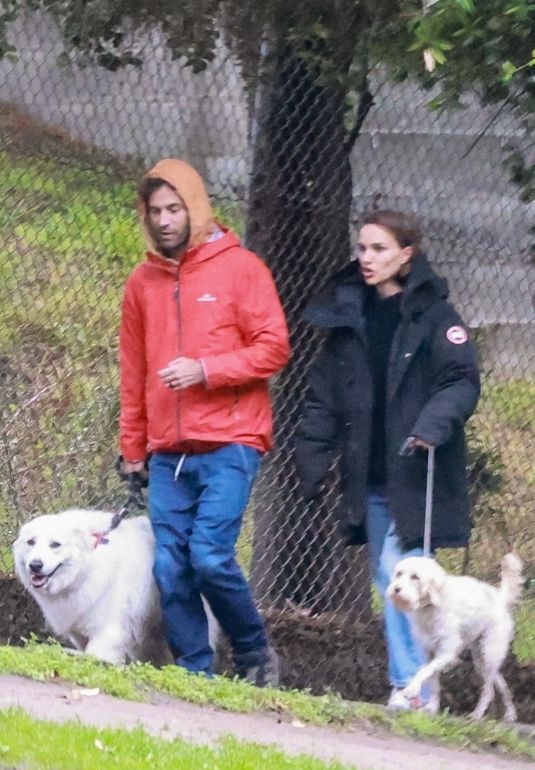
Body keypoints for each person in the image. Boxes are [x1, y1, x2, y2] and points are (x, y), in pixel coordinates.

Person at [294, 209, 480, 710]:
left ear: (406, 255)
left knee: (402, 574)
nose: (367, 259)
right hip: (369, 474)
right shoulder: (348, 320)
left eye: (379, 249)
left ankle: (413, 689)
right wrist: (312, 458)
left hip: (415, 472)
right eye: (361, 249)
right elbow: (323, 397)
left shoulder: (436, 318)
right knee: (389, 578)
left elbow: (460, 381)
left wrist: (429, 428)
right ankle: (418, 686)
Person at [119, 158, 290, 684]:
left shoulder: (242, 269)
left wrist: (206, 370)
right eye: (155, 211)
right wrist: (132, 450)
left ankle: (253, 652)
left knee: (210, 557)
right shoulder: (142, 283)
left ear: (196, 208)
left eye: (174, 209)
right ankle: (195, 672)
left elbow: (274, 348)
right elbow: (134, 372)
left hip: (231, 441)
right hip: (168, 452)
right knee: (170, 568)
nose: (165, 220)